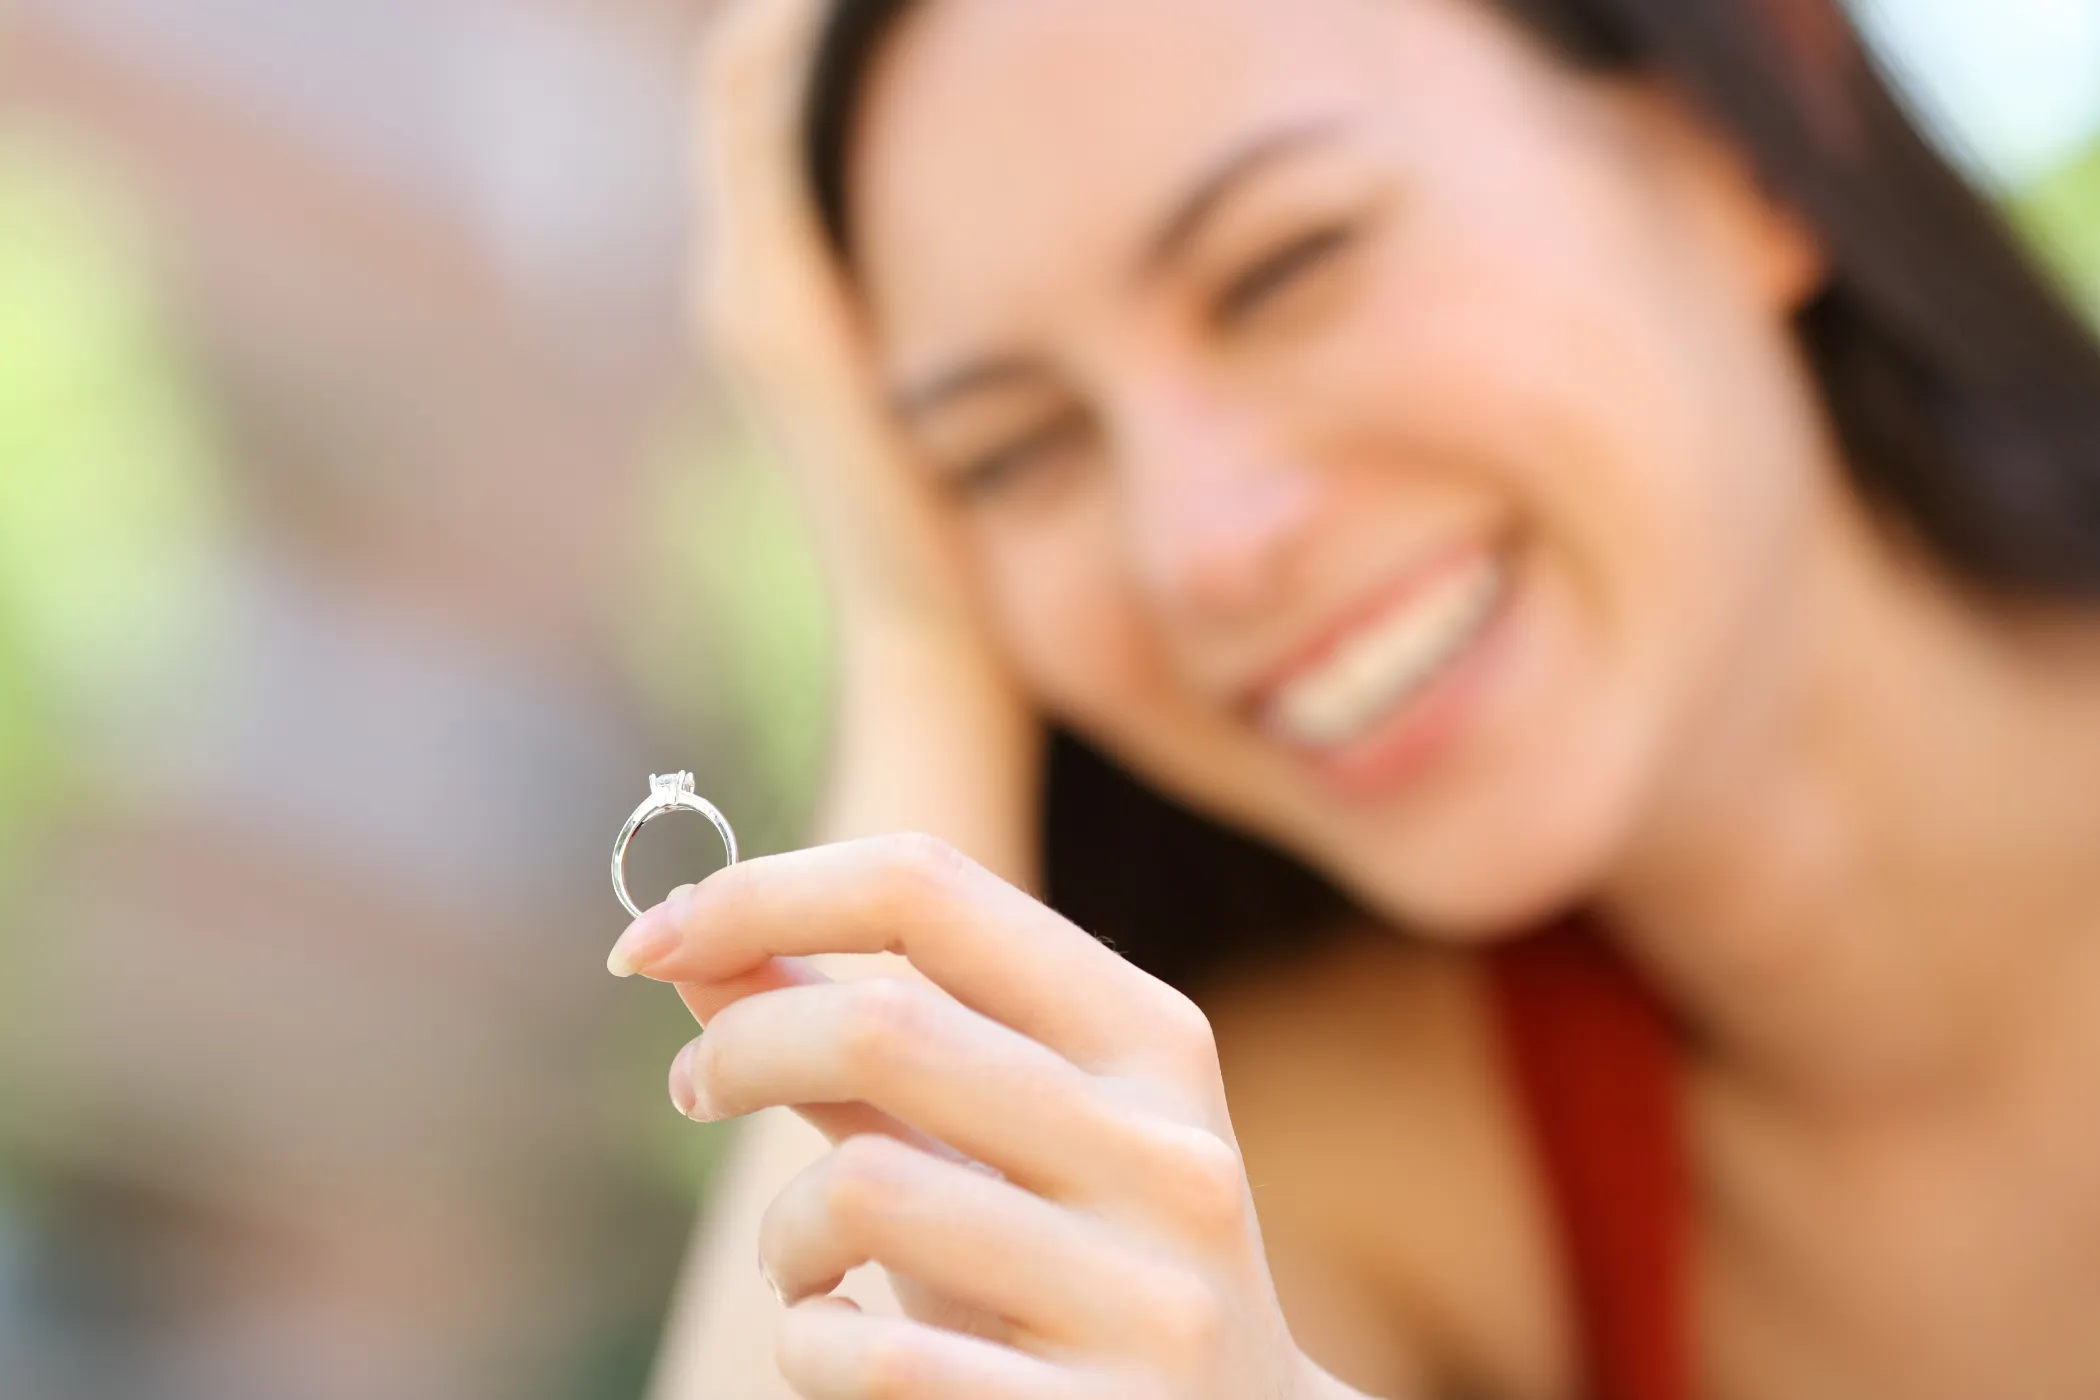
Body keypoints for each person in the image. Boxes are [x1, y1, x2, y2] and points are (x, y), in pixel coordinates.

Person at [618, 0, 2100, 1395]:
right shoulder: (1336, 1159)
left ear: (1747, 138)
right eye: (1010, 453)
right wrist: (923, 645)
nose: (1200, 549)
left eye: (1286, 265)